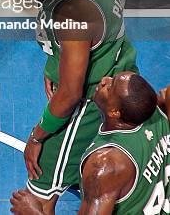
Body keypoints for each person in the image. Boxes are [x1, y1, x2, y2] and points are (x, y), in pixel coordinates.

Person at [16, 0, 139, 213]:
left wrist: (37, 136)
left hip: (85, 103)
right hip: (120, 72)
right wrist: (56, 62)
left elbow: (71, 93)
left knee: (38, 190)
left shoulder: (74, 10)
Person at [10, 73, 170, 214]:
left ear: (115, 112)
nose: (104, 80)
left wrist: (32, 213)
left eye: (110, 86)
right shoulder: (155, 112)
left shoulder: (104, 165)